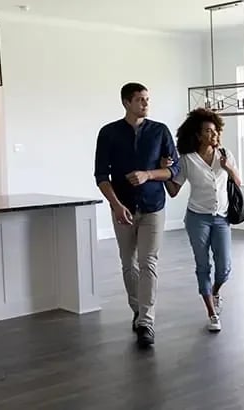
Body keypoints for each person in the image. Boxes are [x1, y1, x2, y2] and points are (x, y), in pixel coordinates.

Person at [94, 82, 180, 348]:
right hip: (123, 208)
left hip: (153, 205)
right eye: (140, 100)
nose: (145, 104)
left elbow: (173, 170)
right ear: (126, 103)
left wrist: (149, 174)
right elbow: (101, 176)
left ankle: (146, 321)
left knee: (148, 262)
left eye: (147, 99)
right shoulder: (108, 133)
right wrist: (116, 205)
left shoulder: (160, 131)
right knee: (128, 263)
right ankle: (137, 309)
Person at [163, 108, 241, 333]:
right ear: (198, 135)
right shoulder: (187, 159)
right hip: (197, 218)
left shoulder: (225, 154)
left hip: (222, 218)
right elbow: (174, 190)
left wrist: (227, 167)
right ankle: (211, 313)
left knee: (224, 268)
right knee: (203, 265)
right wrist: (164, 171)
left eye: (215, 130)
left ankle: (215, 292)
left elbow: (238, 181)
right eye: (208, 131)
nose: (214, 135)